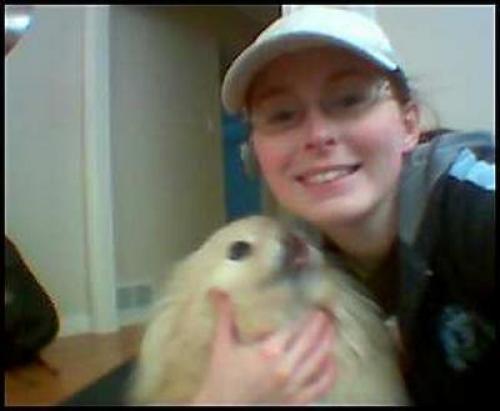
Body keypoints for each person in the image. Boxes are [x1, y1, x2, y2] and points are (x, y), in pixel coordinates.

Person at [193, 6, 495, 405]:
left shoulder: (473, 206)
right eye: (282, 115)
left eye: (349, 99)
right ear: (256, 153)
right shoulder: (304, 258)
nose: (318, 134)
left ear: (408, 125)